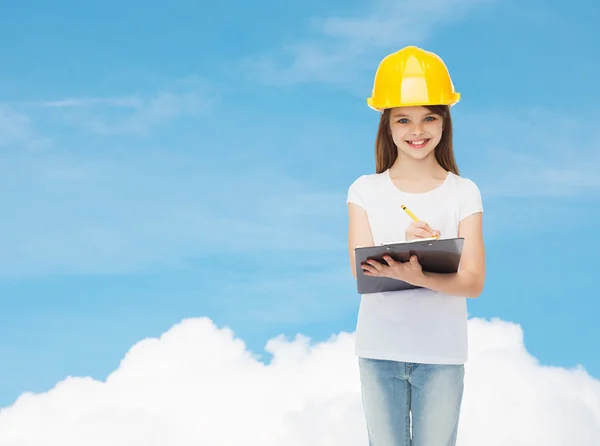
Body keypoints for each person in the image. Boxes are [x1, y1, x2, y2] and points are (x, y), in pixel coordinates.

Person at [346, 46, 486, 446]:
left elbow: (473, 282)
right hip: (379, 349)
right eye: (403, 119)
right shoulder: (365, 190)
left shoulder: (464, 192)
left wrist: (418, 273)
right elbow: (361, 273)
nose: (417, 130)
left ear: (444, 122)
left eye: (429, 117)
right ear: (387, 126)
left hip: (442, 353)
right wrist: (408, 253)